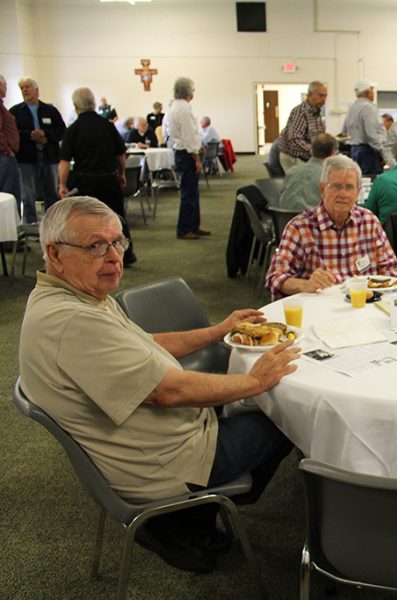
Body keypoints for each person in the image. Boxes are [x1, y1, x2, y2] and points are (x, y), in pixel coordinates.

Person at [19, 196, 300, 573]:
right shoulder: (73, 321)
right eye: (96, 246)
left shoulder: (75, 295)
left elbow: (144, 344)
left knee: (255, 399)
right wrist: (254, 381)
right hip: (170, 463)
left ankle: (193, 519)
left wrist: (217, 332)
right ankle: (190, 515)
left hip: (160, 437)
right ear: (55, 254)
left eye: (118, 242)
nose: (114, 256)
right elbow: (170, 393)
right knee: (287, 417)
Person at [265, 155, 397, 296]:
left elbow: (390, 266)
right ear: (322, 190)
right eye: (336, 186)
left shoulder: (369, 222)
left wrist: (377, 293)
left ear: (358, 193)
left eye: (349, 187)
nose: (343, 194)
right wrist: (306, 284)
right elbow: (275, 277)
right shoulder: (300, 228)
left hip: (363, 306)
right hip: (320, 309)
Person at [58, 87, 137, 266]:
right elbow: (121, 155)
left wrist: (62, 184)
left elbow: (64, 161)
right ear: (93, 104)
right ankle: (127, 254)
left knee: (88, 220)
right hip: (109, 179)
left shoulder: (73, 129)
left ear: (76, 106)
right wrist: (122, 174)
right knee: (117, 217)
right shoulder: (108, 126)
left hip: (86, 182)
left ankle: (92, 254)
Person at [11, 76, 67, 223]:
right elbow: (12, 133)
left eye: (27, 87)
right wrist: (30, 136)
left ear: (37, 90)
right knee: (28, 193)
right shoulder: (16, 111)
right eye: (22, 88)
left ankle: (52, 223)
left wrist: (45, 134)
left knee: (51, 191)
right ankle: (30, 222)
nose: (24, 90)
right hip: (26, 158)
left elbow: (62, 131)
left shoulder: (50, 110)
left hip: (49, 156)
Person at [167, 76, 208, 240]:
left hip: (184, 152)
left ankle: (194, 226)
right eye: (192, 89)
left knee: (193, 192)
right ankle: (184, 229)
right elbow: (188, 137)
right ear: (187, 91)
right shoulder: (182, 108)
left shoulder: (177, 106)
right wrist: (196, 157)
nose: (194, 92)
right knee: (188, 194)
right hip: (186, 154)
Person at [279, 133, 337, 212]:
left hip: (284, 221)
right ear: (333, 154)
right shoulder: (330, 177)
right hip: (314, 222)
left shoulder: (291, 172)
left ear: (312, 150)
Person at [340, 80, 387, 176]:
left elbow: (344, 133)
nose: (373, 93)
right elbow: (372, 136)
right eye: (372, 90)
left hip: (354, 151)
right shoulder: (368, 108)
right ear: (367, 92)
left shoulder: (352, 108)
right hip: (369, 152)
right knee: (371, 182)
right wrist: (383, 153)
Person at [279, 81, 327, 173]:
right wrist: (315, 152)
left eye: (325, 96)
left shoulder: (316, 112)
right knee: (302, 184)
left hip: (307, 157)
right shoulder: (301, 112)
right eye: (320, 95)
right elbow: (295, 139)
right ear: (309, 95)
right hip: (294, 158)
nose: (323, 99)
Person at [0, 74, 21, 203]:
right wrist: (6, 148)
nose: (6, 88)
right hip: (4, 156)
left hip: (5, 155)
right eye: (4, 85)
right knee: (9, 196)